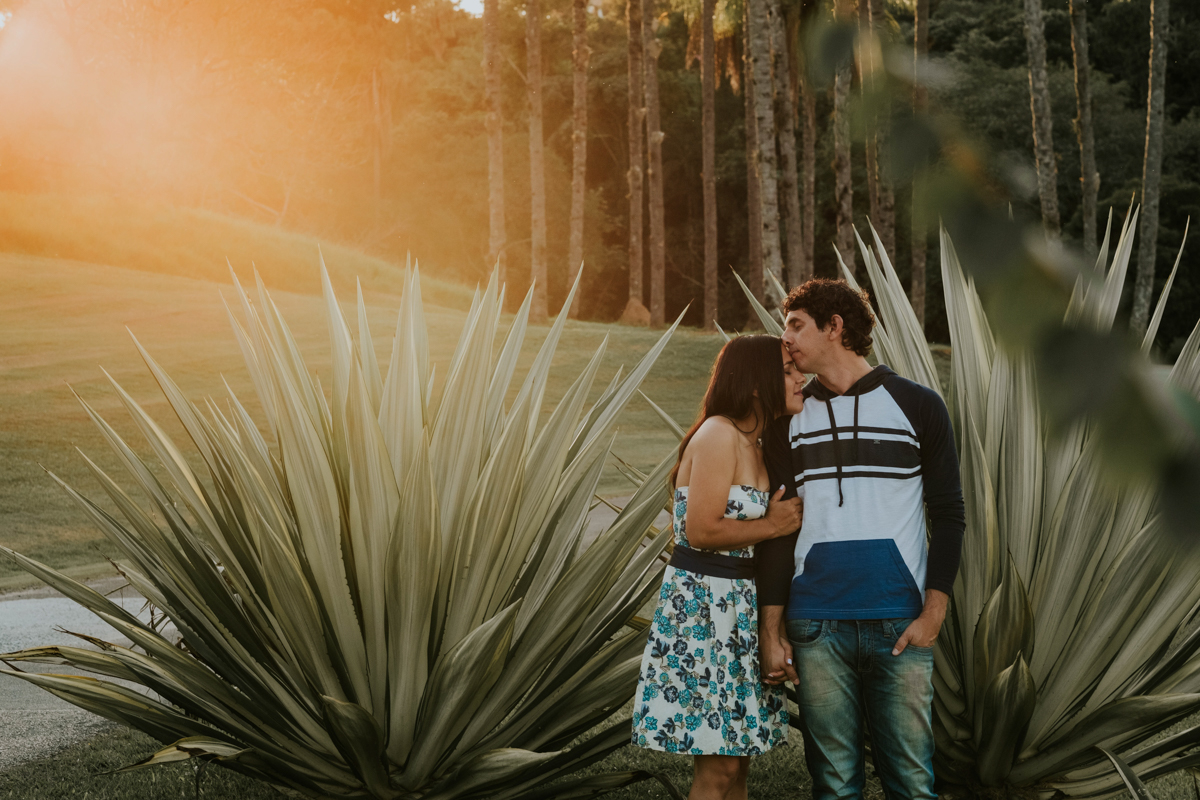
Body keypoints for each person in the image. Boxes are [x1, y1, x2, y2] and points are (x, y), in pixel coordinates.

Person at [756, 279, 965, 800]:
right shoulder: (789, 419)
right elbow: (780, 532)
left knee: (912, 784)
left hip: (899, 621)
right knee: (834, 785)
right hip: (816, 625)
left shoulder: (918, 405)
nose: (786, 338)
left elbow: (949, 515)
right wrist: (773, 628)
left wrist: (933, 613)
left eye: (796, 324)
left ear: (835, 327)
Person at [631, 334, 806, 800]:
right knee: (721, 768)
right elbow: (700, 530)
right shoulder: (718, 434)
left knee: (738, 763)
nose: (799, 377)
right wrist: (771, 525)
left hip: (739, 610)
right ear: (755, 384)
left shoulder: (760, 443)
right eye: (787, 370)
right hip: (704, 608)